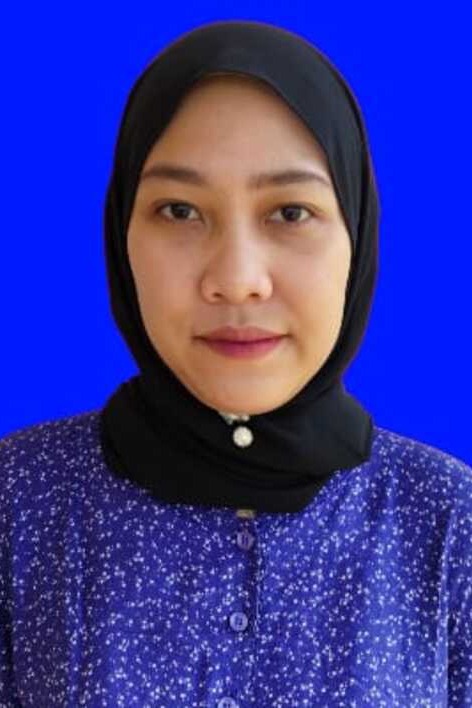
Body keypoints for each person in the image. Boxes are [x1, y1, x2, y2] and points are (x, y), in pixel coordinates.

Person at [1, 19, 471, 707]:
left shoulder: (448, 523)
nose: (237, 279)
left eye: (290, 212)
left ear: (356, 235)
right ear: (122, 235)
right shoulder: (17, 505)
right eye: (179, 210)